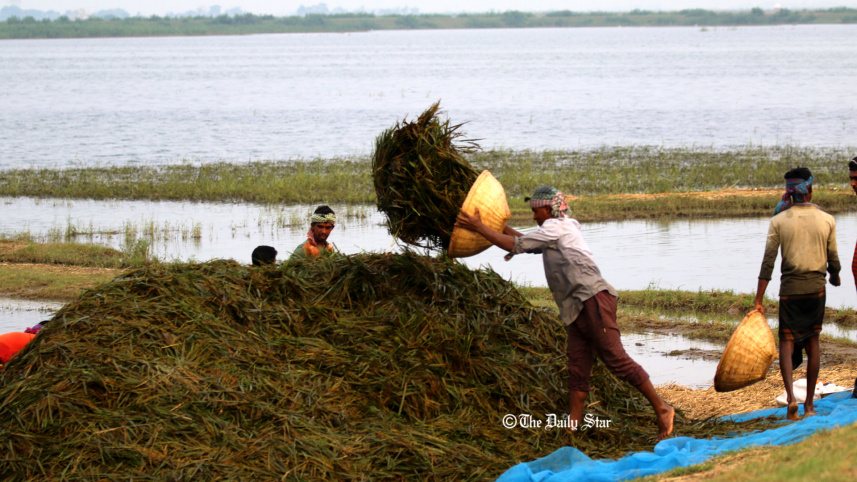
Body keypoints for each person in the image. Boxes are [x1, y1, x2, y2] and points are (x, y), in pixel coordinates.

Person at [455, 185, 675, 441]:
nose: (534, 217)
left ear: (549, 210)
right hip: (575, 308)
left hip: (592, 299)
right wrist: (494, 225)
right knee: (577, 366)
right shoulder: (552, 231)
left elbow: (518, 244)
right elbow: (524, 243)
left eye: (536, 212)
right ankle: (572, 428)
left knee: (615, 358)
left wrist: (479, 228)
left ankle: (662, 408)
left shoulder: (558, 227)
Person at [752, 167, 840, 421]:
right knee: (813, 343)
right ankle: (810, 404)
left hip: (790, 291)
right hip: (815, 290)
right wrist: (834, 276)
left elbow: (767, 263)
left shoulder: (779, 221)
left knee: (787, 344)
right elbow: (832, 258)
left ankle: (791, 398)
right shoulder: (827, 219)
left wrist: (758, 300)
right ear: (809, 190)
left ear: (789, 192)